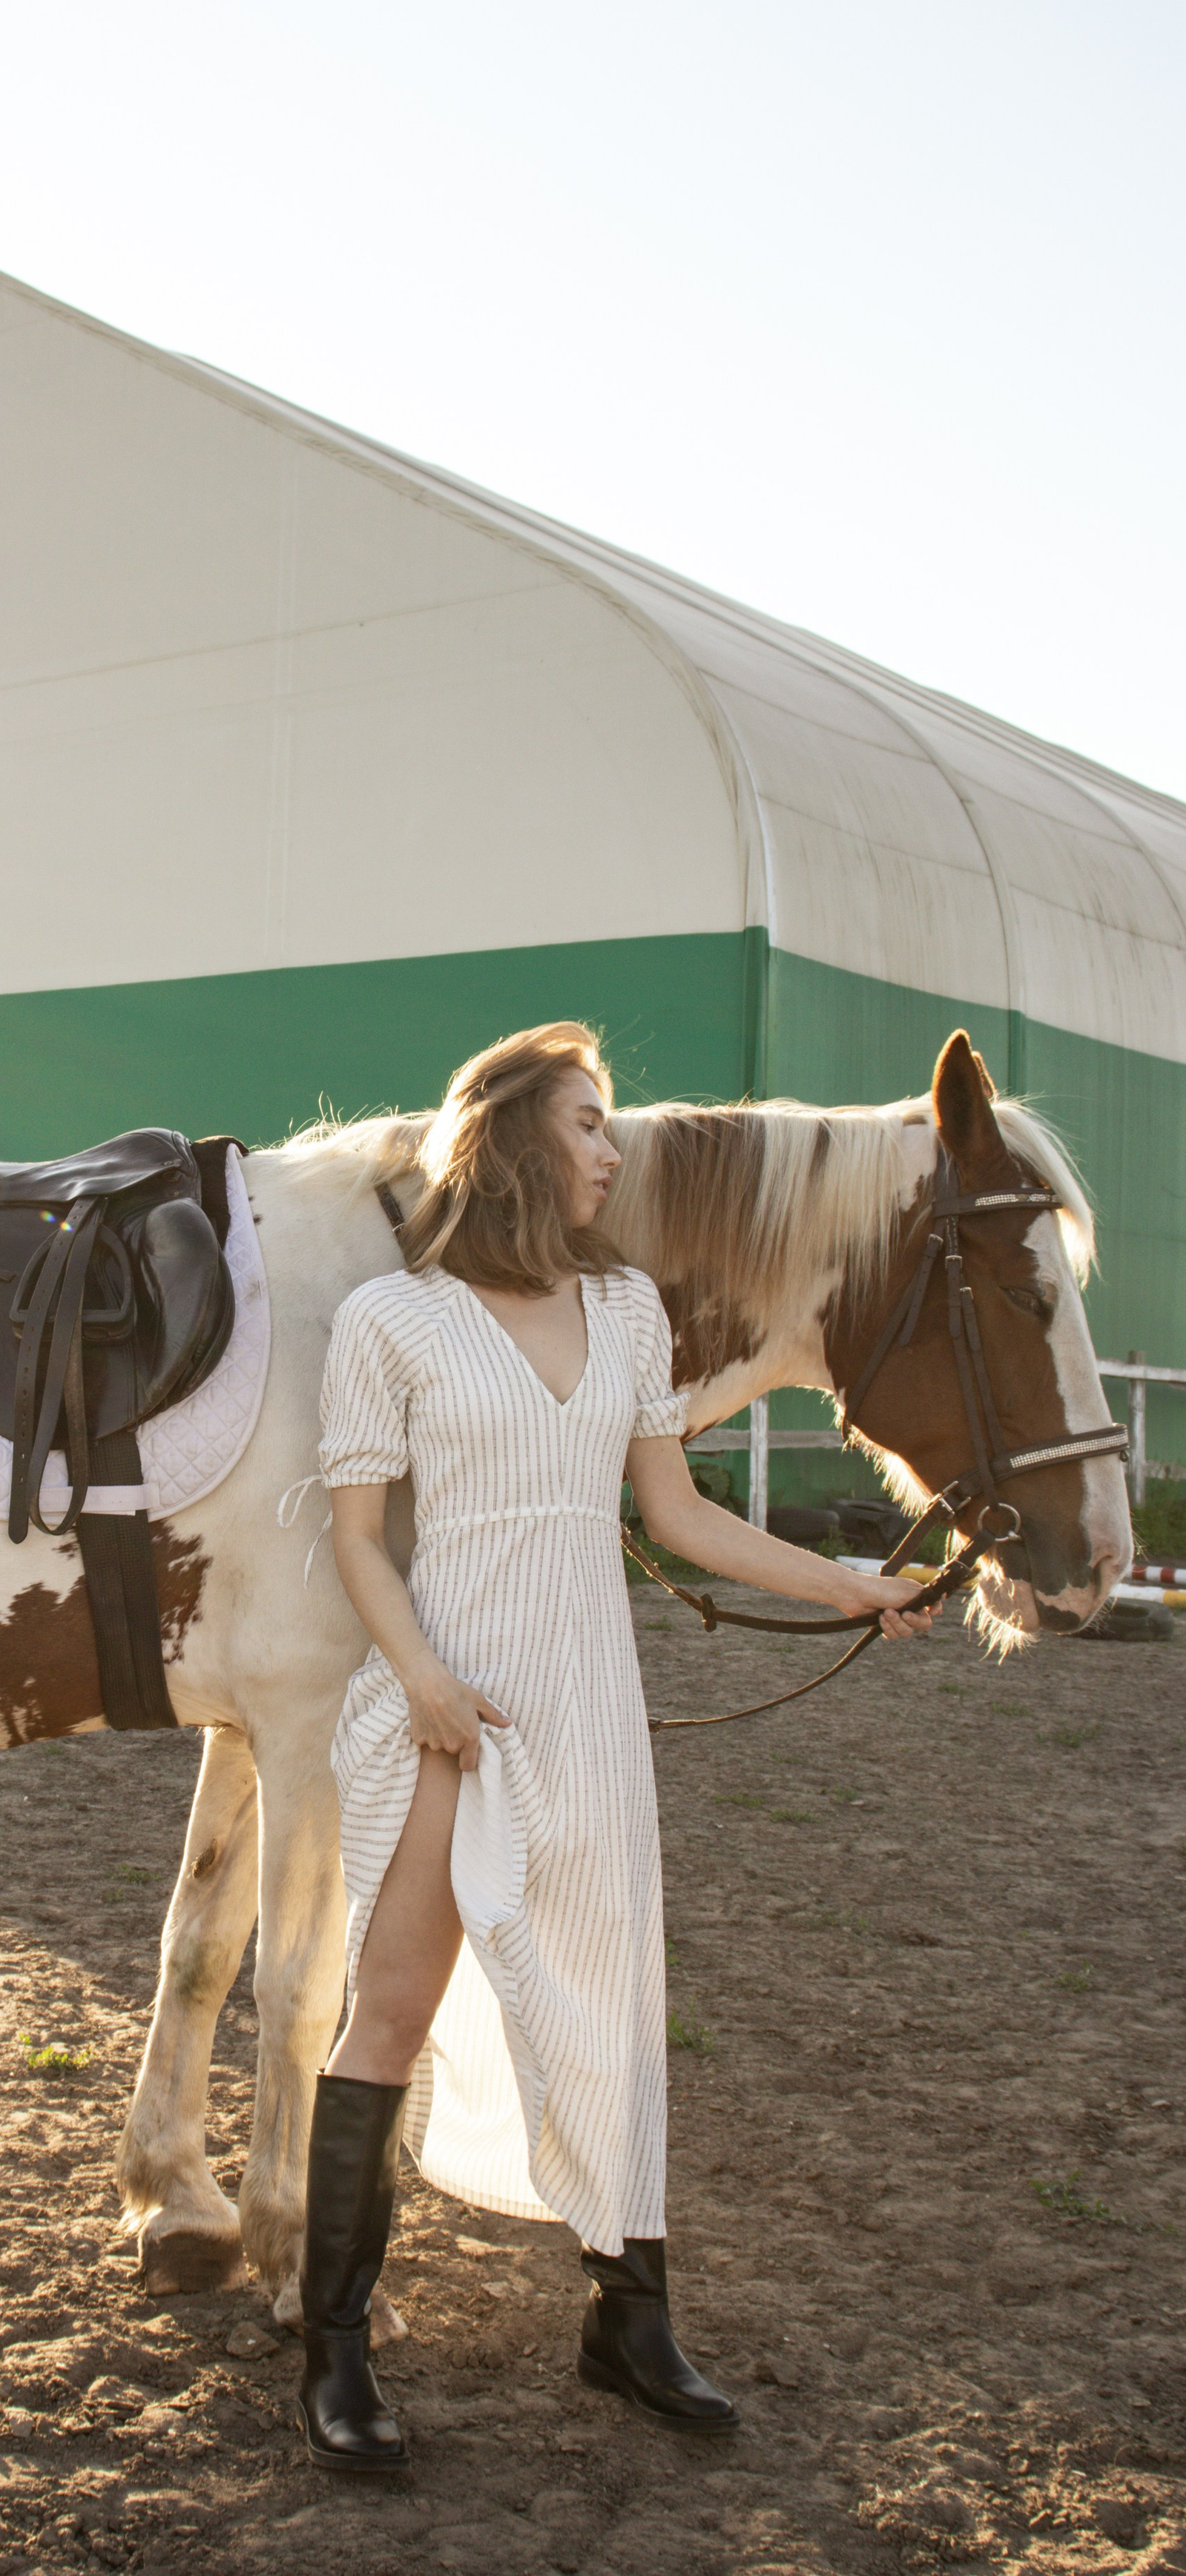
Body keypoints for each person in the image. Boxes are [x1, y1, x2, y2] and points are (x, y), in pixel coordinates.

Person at [299, 1021, 935, 2470]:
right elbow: (355, 1539)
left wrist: (851, 1586)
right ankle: (329, 2342)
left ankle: (627, 2321)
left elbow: (677, 1515)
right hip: (446, 1711)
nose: (608, 1148)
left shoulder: (632, 1311)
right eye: (588, 1123)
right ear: (514, 1141)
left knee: (608, 1997)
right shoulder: (391, 1322)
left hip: (584, 1704)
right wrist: (424, 1684)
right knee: (387, 2014)